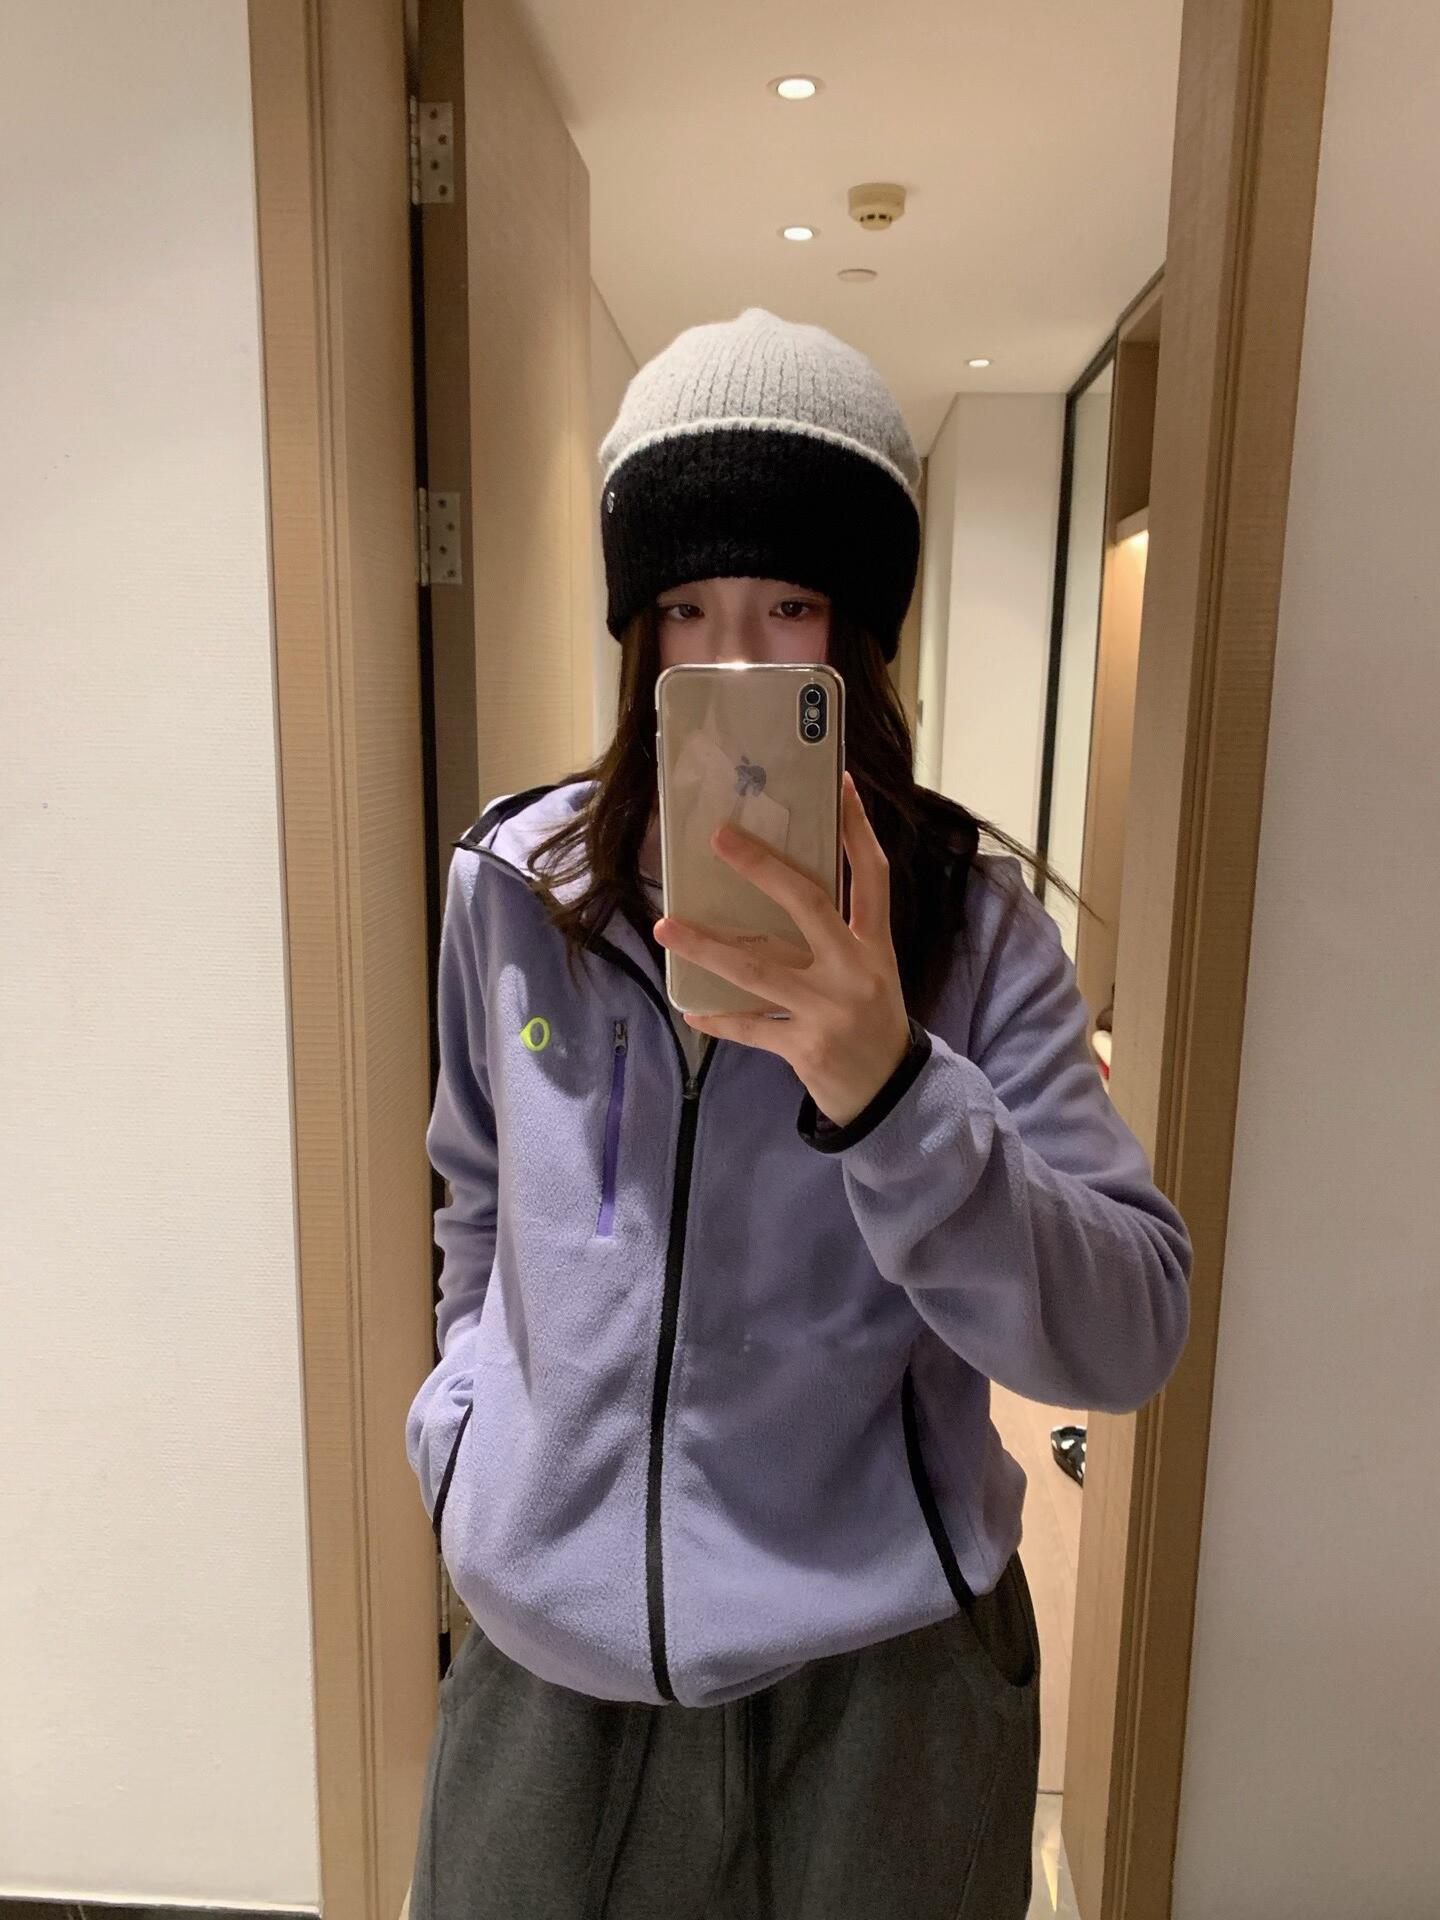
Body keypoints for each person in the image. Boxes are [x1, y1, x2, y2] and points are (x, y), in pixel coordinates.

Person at [404, 306, 1193, 1920]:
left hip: (883, 1688)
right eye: (684, 609)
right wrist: (465, 1446)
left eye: (789, 606)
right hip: (546, 1676)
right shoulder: (513, 889)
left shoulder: (972, 931)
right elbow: (475, 1208)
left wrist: (891, 1088)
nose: (734, 663)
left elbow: (1131, 1331)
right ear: (635, 633)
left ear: (860, 641)